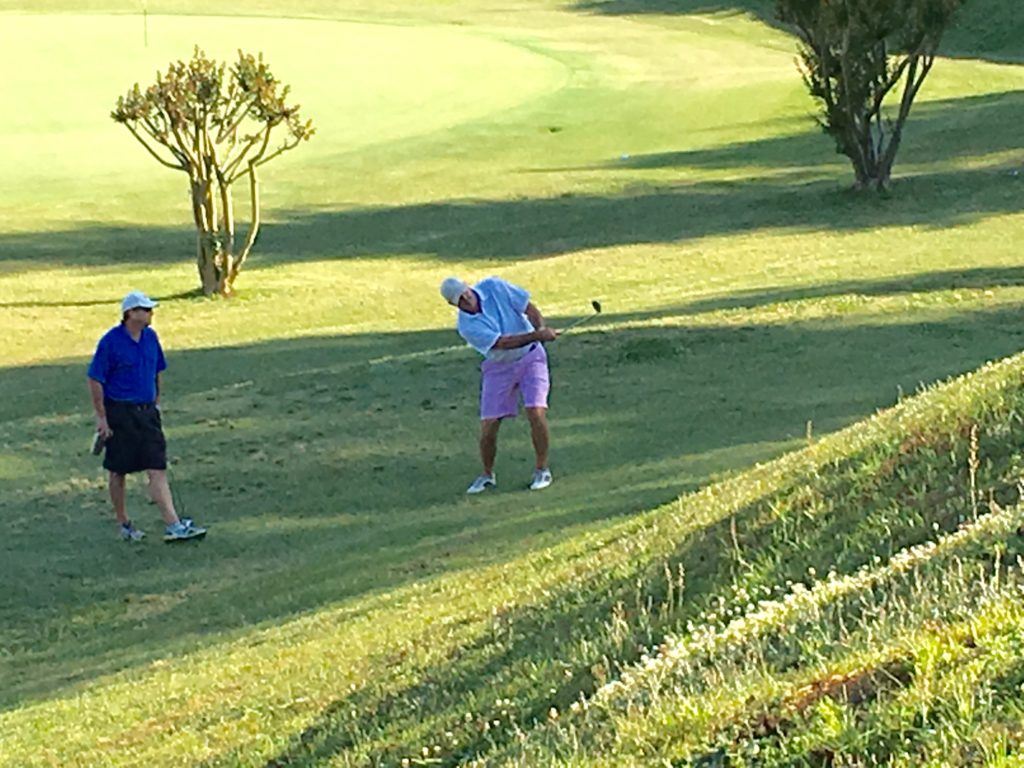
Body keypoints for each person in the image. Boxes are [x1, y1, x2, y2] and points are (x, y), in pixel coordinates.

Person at [87, 291, 206, 542]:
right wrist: (102, 417)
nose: (151, 314)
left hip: (147, 413)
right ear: (130, 313)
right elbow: (96, 378)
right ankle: (124, 523)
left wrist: (157, 402)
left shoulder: (151, 338)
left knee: (157, 466)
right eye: (145, 309)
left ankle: (172, 524)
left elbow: (157, 370)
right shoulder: (111, 342)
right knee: (118, 470)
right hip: (120, 413)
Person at [440, 276, 560, 494]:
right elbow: (502, 343)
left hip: (531, 356)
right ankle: (487, 475)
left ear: (468, 287)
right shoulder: (466, 326)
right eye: (461, 301)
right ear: (453, 305)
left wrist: (541, 330)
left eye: (466, 295)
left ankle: (542, 470)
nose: (468, 302)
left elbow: (528, 307)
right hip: (499, 368)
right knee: (489, 424)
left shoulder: (494, 287)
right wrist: (537, 334)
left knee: (536, 411)